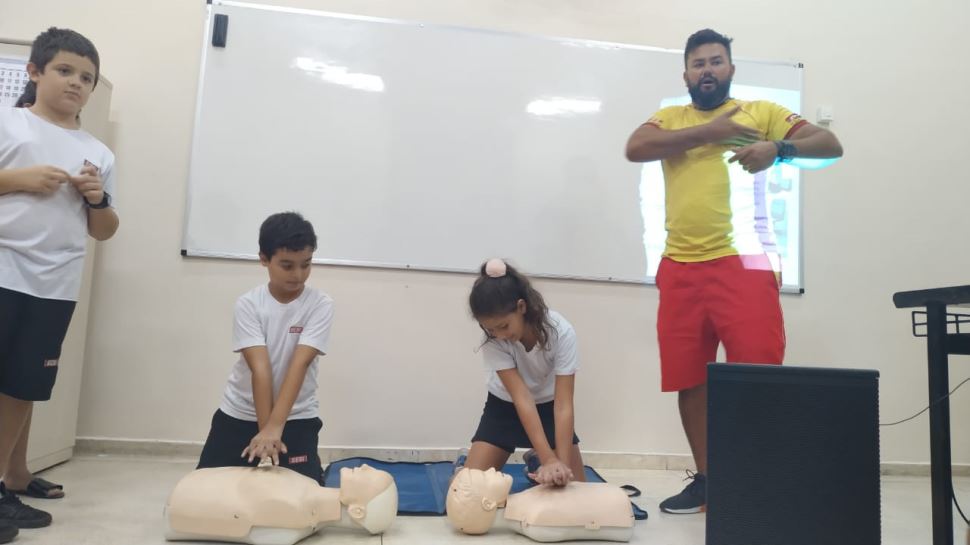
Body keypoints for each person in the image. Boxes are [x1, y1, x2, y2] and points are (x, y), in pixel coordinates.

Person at [625, 28, 843, 514]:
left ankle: (755, 482)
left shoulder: (761, 112)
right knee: (690, 380)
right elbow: (636, 146)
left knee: (757, 379)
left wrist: (778, 149)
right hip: (679, 268)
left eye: (716, 61)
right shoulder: (670, 118)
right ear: (686, 74)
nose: (707, 70)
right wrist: (709, 133)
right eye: (698, 63)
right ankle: (709, 482)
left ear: (731, 69)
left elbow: (829, 144)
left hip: (745, 264)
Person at [0, 27, 119, 535]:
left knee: (24, 383)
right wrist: (17, 180)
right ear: (34, 72)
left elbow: (105, 230)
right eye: (65, 71)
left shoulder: (98, 152)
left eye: (86, 77)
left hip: (55, 284)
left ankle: (15, 474)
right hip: (5, 272)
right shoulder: (8, 123)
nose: (76, 83)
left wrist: (97, 198)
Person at [196, 212, 334, 484]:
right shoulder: (249, 304)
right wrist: (266, 431)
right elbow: (260, 369)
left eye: (306, 264)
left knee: (305, 498)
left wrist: (274, 428)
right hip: (240, 412)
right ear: (264, 259)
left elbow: (300, 364)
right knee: (205, 490)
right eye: (287, 266)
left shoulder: (320, 304)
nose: (298, 275)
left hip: (296, 416)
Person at [460, 258, 584, 487]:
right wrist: (549, 458)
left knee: (573, 488)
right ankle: (538, 457)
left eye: (504, 326)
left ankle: (537, 459)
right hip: (504, 407)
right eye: (491, 329)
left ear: (521, 307)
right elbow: (522, 398)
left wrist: (561, 468)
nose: (499, 335)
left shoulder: (561, 332)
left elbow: (563, 405)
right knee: (466, 488)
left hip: (549, 408)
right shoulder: (493, 341)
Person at [165, 463, 397, 544]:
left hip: (184, 501)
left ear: (357, 511)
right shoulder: (307, 493)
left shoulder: (296, 515)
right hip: (196, 487)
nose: (365, 467)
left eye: (371, 477)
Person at [446, 467, 634, 542]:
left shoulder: (529, 510)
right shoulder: (534, 519)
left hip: (616, 502)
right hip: (618, 508)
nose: (491, 469)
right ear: (488, 503)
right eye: (485, 476)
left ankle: (537, 458)